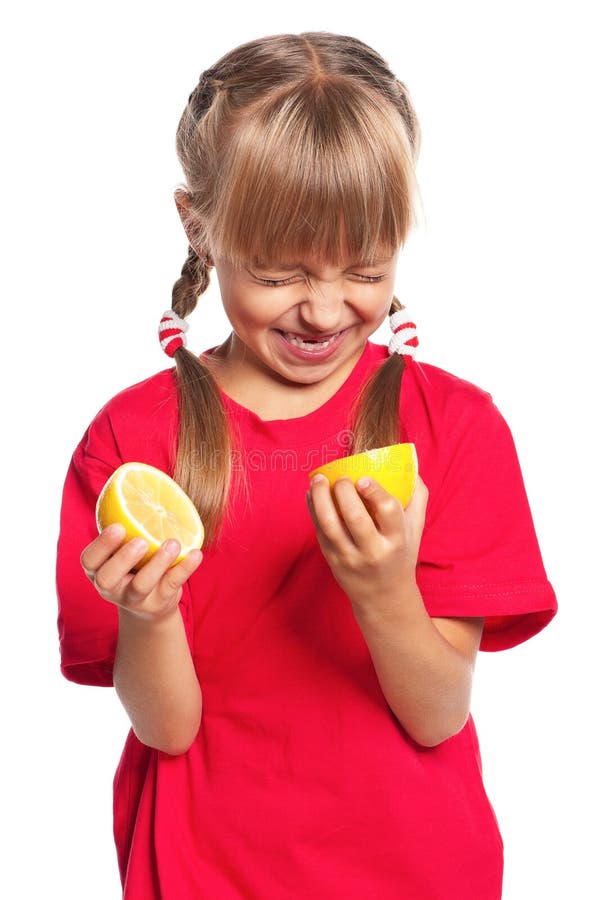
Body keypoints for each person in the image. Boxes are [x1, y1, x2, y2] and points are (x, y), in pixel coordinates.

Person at [55, 31, 557, 899]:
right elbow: (168, 732)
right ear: (199, 228)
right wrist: (149, 611)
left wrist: (382, 588)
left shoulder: (454, 427)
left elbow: (439, 713)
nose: (325, 310)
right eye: (282, 274)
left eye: (363, 268)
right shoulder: (131, 439)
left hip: (417, 872)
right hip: (206, 871)